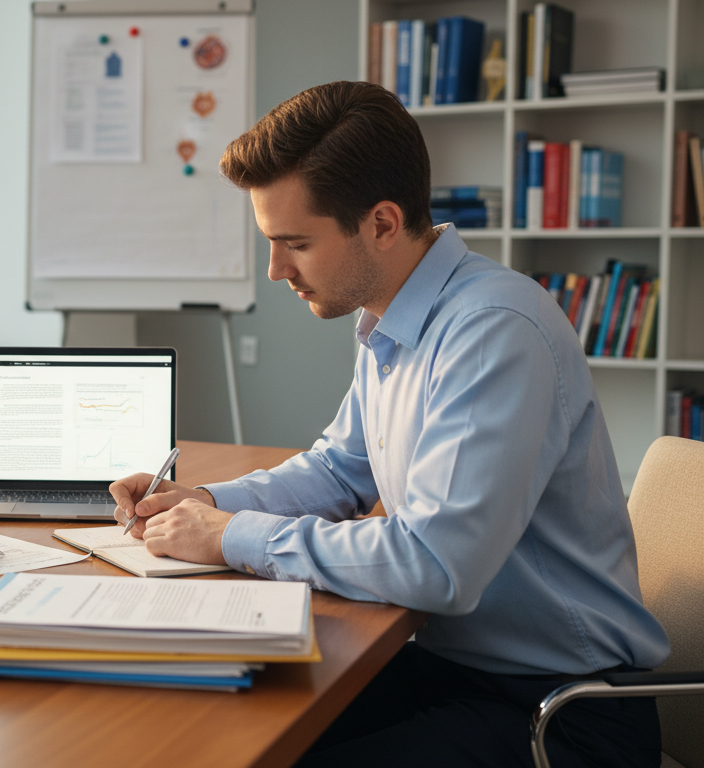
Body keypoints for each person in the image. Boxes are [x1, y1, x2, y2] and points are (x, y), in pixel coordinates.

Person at [109, 82, 669, 767]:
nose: (277, 270)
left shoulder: (492, 331)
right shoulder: (390, 318)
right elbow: (339, 469)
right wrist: (206, 503)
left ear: (380, 223)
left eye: (296, 244)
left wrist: (230, 537)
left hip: (560, 712)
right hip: (459, 669)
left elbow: (434, 565)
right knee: (224, 730)